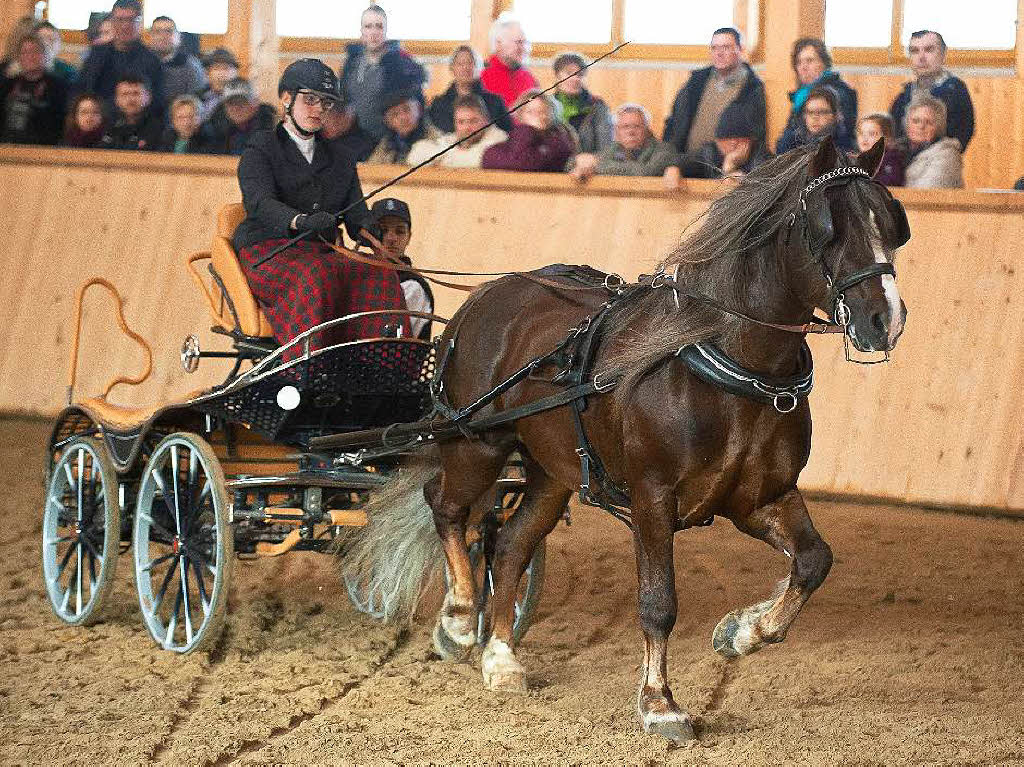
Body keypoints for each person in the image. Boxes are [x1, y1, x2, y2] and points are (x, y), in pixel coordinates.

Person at [233, 58, 407, 352]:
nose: (318, 110)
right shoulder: (261, 148)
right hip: (268, 251)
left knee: (380, 272)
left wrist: (367, 227)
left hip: (320, 254)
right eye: (310, 100)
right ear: (287, 99)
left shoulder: (340, 157)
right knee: (317, 275)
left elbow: (355, 213)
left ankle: (385, 364)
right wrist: (299, 221)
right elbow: (259, 203)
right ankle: (306, 366)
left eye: (325, 103)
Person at [663, 28, 766, 157]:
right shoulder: (695, 82)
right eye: (714, 48)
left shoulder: (752, 88)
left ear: (740, 50)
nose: (719, 53)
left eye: (726, 47)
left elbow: (756, 135)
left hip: (725, 167)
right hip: (687, 163)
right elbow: (673, 122)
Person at [339, 4, 426, 142]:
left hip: (391, 139)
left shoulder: (401, 62)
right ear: (361, 31)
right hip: (356, 137)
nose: (373, 32)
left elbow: (416, 106)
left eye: (379, 26)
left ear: (386, 31)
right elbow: (343, 99)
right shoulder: (351, 62)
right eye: (368, 26)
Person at [74, 0, 166, 114]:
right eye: (120, 20)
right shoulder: (96, 54)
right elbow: (82, 91)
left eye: (131, 20)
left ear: (140, 22)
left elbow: (157, 103)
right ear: (112, 21)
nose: (125, 25)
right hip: (99, 120)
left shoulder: (152, 60)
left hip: (137, 124)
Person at [890, 30, 974, 152]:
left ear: (943, 54)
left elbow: (960, 138)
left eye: (928, 50)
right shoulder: (905, 94)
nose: (921, 57)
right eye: (914, 51)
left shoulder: (955, 91)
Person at [367, 197, 434, 340]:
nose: (391, 238)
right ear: (370, 235)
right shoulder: (360, 278)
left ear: (409, 237)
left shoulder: (413, 286)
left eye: (399, 231)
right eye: (383, 230)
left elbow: (387, 339)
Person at [776, 38, 856, 152]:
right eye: (799, 62)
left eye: (809, 60)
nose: (803, 67)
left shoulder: (838, 94)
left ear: (824, 63)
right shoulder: (801, 95)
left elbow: (838, 138)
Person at [570, 104, 679, 186]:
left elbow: (645, 172)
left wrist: (595, 166)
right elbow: (570, 165)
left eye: (636, 126)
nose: (631, 132)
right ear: (617, 131)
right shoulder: (615, 147)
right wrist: (582, 164)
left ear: (647, 130)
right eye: (625, 127)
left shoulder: (664, 150)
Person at [0, 33, 68, 145]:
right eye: (24, 52)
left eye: (35, 51)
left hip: (41, 148)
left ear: (45, 55)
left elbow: (59, 126)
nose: (30, 56)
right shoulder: (8, 84)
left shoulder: (58, 86)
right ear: (18, 57)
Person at [481, 89, 574, 172]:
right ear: (519, 115)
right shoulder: (510, 141)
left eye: (542, 111)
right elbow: (488, 158)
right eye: (530, 112)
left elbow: (525, 163)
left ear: (551, 116)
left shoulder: (558, 142)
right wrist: (526, 131)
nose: (536, 116)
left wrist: (527, 130)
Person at [428, 45, 511, 134]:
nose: (465, 68)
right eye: (460, 64)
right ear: (452, 68)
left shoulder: (495, 102)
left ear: (480, 68)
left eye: (471, 63)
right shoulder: (439, 104)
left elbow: (506, 134)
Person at [407, 94, 507, 169]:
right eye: (461, 122)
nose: (467, 127)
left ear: (486, 121)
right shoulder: (451, 139)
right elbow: (414, 156)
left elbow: (478, 160)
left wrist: (440, 160)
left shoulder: (499, 139)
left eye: (473, 121)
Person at [680, 102, 772, 180]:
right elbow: (682, 164)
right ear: (717, 141)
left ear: (751, 140)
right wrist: (673, 168)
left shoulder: (761, 156)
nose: (733, 142)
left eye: (740, 138)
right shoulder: (708, 153)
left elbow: (763, 185)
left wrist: (729, 168)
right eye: (727, 138)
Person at [898, 93, 963, 189]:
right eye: (915, 121)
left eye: (928, 122)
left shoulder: (947, 155)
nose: (921, 126)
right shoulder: (897, 151)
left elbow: (925, 194)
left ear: (938, 127)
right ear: (906, 124)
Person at [551, 52, 612, 154]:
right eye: (569, 73)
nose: (575, 79)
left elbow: (605, 148)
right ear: (557, 75)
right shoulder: (547, 105)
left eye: (580, 74)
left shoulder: (597, 106)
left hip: (587, 165)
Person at [199, 77, 276, 156]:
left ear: (255, 103)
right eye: (230, 103)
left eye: (242, 102)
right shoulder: (215, 128)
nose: (236, 108)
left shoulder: (271, 129)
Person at [367, 91, 442, 165]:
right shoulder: (386, 145)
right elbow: (370, 170)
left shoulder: (437, 141)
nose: (402, 118)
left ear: (419, 110)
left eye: (407, 109)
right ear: (388, 122)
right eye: (395, 114)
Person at [480, 13, 538, 108]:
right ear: (498, 43)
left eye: (526, 43)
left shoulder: (528, 77)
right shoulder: (481, 75)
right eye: (518, 42)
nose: (524, 48)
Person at [148, 16, 207, 104]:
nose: (163, 36)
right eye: (157, 32)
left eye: (169, 31)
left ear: (178, 37)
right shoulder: (142, 61)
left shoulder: (191, 66)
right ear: (150, 36)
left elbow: (196, 101)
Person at [103, 74, 163, 150]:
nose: (131, 99)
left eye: (136, 93)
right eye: (125, 94)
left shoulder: (160, 130)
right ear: (116, 100)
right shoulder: (107, 127)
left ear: (148, 98)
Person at [774, 86, 840, 155]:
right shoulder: (790, 145)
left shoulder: (843, 147)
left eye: (821, 112)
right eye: (810, 112)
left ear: (834, 115)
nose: (815, 117)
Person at [855, 113, 905, 187]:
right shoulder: (857, 159)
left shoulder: (891, 159)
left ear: (887, 139)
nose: (864, 138)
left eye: (872, 134)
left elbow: (891, 182)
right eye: (861, 133)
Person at [197, 47, 238, 121]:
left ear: (235, 72)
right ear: (207, 73)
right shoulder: (198, 97)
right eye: (217, 68)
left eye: (226, 68)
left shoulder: (242, 98)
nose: (221, 73)